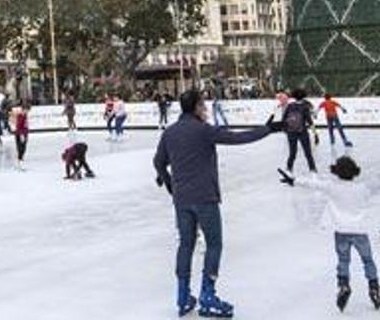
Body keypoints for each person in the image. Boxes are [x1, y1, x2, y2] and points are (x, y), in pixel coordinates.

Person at [153, 89, 284, 318]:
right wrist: (268, 129)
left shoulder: (170, 133)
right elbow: (237, 138)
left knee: (186, 244)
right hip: (205, 198)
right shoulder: (203, 130)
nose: (205, 109)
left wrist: (171, 186)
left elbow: (158, 162)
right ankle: (207, 296)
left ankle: (183, 298)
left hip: (182, 200)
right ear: (195, 107)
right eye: (202, 105)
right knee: (214, 245)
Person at [278, 156, 380, 312]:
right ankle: (374, 287)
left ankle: (344, 285)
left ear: (337, 172)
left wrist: (294, 180)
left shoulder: (332, 187)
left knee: (343, 260)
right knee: (367, 260)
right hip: (360, 231)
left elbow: (313, 184)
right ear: (354, 172)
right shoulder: (362, 188)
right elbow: (377, 185)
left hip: (341, 231)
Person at [282, 88, 317, 174]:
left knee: (292, 153)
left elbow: (283, 119)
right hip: (302, 132)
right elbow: (310, 122)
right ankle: (312, 169)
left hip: (291, 132)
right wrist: (315, 134)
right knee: (308, 153)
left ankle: (289, 169)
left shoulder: (290, 106)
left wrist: (285, 130)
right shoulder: (305, 107)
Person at [14, 104, 30, 171]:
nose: (27, 111)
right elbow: (18, 126)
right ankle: (20, 164)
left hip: (24, 133)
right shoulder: (20, 116)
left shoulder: (25, 116)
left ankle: (20, 163)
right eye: (26, 110)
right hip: (20, 134)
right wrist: (21, 135)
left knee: (23, 149)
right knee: (21, 149)